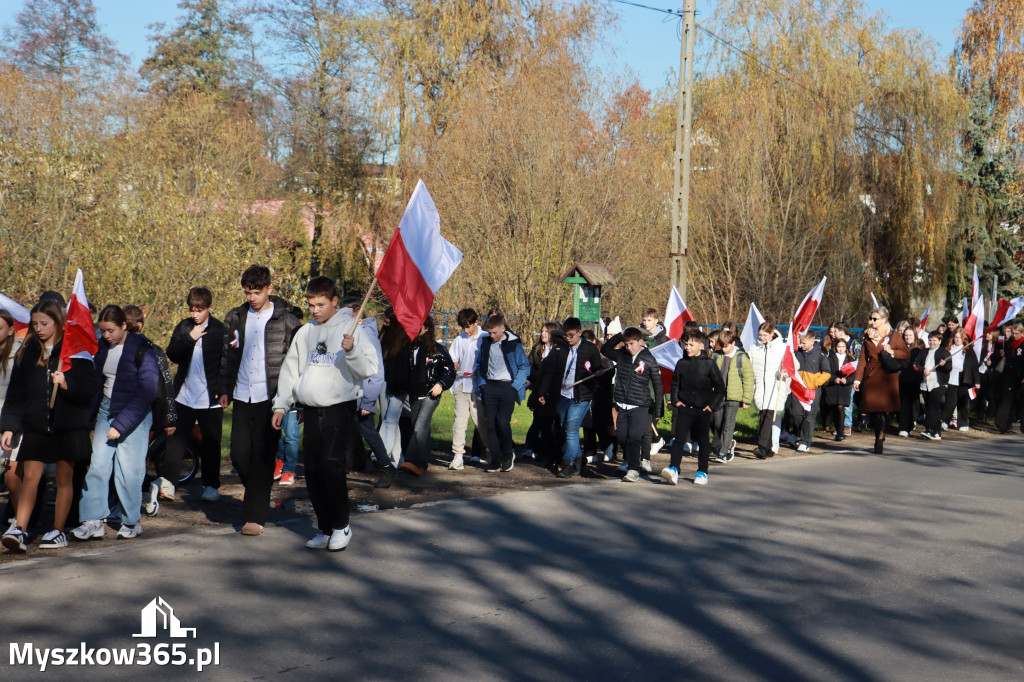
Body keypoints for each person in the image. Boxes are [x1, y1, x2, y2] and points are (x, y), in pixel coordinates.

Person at [272, 277, 376, 551]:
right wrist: (281, 405)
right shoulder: (306, 332)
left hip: (339, 407)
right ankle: (325, 528)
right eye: (311, 305)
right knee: (313, 470)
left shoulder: (352, 328)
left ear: (334, 301)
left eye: (320, 304)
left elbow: (369, 369)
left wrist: (352, 351)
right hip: (311, 408)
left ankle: (342, 525)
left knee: (331, 464)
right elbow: (291, 370)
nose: (315, 310)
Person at [1, 301, 98, 551]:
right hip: (36, 426)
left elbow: (89, 389)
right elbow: (17, 393)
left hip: (68, 427)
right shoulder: (28, 350)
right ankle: (20, 529)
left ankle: (57, 530)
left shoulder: (76, 350)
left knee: (65, 477)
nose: (39, 328)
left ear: (58, 323)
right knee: (30, 477)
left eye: (44, 323)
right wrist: (9, 425)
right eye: (35, 324)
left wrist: (67, 384)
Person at [219, 265, 301, 537]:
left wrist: (293, 400)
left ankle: (254, 516)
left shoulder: (287, 321)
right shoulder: (235, 317)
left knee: (263, 457)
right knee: (239, 455)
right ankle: (259, 491)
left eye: (257, 292)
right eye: (248, 292)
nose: (252, 297)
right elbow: (226, 356)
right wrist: (224, 388)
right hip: (242, 394)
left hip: (272, 399)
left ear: (269, 289)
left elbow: (297, 362)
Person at [73, 305, 159, 541]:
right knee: (98, 465)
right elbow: (96, 382)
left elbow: (147, 392)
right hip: (106, 410)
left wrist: (120, 425)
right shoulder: (102, 346)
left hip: (135, 414)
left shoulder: (143, 349)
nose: (106, 335)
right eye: (103, 331)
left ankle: (131, 521)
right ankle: (93, 520)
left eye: (111, 330)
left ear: (124, 326)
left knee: (128, 471)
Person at [163, 288, 226, 504]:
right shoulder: (184, 327)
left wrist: (223, 389)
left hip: (210, 399)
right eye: (192, 310)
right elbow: (172, 354)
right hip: (184, 396)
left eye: (199, 310)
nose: (195, 314)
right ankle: (168, 484)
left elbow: (227, 362)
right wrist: (189, 339)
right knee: (176, 441)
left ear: (209, 308)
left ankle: (211, 485)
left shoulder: (219, 330)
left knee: (211, 442)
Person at [535, 317, 602, 479]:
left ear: (579, 332)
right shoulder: (560, 349)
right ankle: (579, 459)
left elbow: (599, 369)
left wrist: (599, 373)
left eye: (571, 335)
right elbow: (549, 372)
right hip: (563, 396)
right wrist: (542, 392)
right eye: (565, 335)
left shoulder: (590, 349)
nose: (568, 338)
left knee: (571, 430)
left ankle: (567, 465)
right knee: (566, 429)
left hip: (581, 397)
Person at [661, 329, 725, 486]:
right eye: (686, 344)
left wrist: (711, 406)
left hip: (703, 410)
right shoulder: (681, 363)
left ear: (701, 346)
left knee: (703, 441)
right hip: (684, 408)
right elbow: (675, 385)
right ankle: (674, 469)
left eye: (691, 344)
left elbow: (720, 388)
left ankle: (702, 472)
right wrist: (676, 401)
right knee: (678, 439)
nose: (687, 347)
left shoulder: (709, 364)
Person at [601, 327, 663, 482]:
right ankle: (629, 459)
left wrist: (658, 409)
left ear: (641, 341)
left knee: (634, 438)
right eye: (626, 344)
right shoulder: (621, 355)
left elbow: (658, 385)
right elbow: (605, 349)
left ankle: (634, 469)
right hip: (623, 404)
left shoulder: (648, 359)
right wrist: (620, 335)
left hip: (640, 405)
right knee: (622, 437)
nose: (629, 347)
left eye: (632, 344)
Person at [399, 316, 456, 476]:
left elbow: (449, 371)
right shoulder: (410, 348)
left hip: (431, 394)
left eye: (419, 327)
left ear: (427, 329)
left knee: (419, 428)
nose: (415, 330)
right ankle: (422, 465)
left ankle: (412, 461)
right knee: (419, 428)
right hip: (415, 394)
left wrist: (440, 384)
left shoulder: (438, 350)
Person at [475, 313, 530, 473]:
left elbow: (525, 367)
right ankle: (495, 459)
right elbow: (479, 364)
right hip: (490, 387)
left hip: (508, 387)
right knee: (491, 424)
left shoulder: (514, 345)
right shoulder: (486, 343)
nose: (492, 336)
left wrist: (515, 386)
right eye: (490, 332)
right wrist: (483, 384)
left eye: (495, 332)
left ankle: (508, 454)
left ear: (503, 329)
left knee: (503, 422)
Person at [853, 306, 911, 454]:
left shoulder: (894, 336)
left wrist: (892, 351)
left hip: (887, 376)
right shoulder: (867, 335)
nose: (871, 321)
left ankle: (880, 436)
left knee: (883, 411)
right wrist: (857, 379)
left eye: (875, 319)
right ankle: (877, 431)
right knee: (872, 410)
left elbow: (906, 354)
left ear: (884, 319)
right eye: (870, 318)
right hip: (871, 376)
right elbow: (862, 360)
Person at [448, 308, 489, 470]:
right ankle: (458, 456)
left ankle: (491, 450)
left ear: (475, 323)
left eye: (468, 327)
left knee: (481, 422)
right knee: (459, 421)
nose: (466, 330)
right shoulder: (460, 339)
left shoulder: (485, 337)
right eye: (463, 327)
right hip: (461, 385)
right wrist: (453, 364)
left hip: (478, 386)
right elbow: (452, 359)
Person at [710, 329, 753, 463]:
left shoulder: (741, 358)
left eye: (726, 346)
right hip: (718, 396)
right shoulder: (716, 356)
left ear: (733, 343)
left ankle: (724, 453)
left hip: (734, 397)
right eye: (721, 346)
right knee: (717, 424)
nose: (723, 349)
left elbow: (748, 379)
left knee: (728, 425)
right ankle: (728, 443)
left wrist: (746, 399)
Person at [785, 331, 831, 452]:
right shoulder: (797, 353)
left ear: (812, 341)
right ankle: (799, 433)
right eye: (801, 342)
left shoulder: (820, 355)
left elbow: (827, 373)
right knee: (795, 413)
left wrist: (815, 383)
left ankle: (805, 441)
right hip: (797, 389)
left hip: (812, 391)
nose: (801, 345)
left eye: (804, 343)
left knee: (809, 417)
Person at [749, 322, 790, 458]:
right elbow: (750, 365)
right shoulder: (754, 348)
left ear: (772, 334)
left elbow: (794, 365)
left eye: (765, 335)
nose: (762, 338)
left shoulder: (782, 348)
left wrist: (785, 371)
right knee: (763, 414)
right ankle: (768, 449)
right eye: (760, 335)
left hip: (775, 386)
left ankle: (761, 446)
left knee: (768, 414)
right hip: (760, 386)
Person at [524, 321, 561, 465]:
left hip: (553, 391)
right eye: (542, 331)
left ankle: (549, 449)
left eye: (546, 331)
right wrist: (538, 377)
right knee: (538, 419)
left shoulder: (558, 349)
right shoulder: (537, 349)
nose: (543, 334)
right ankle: (532, 446)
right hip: (538, 387)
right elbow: (528, 367)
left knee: (551, 422)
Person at [378, 309, 411, 467]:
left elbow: (404, 366)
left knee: (391, 419)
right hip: (384, 381)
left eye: (388, 322)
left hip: (398, 384)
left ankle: (382, 454)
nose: (385, 324)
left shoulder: (404, 340)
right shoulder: (383, 336)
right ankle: (397, 457)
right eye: (384, 321)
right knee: (387, 419)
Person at [940, 328, 981, 432]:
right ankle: (945, 421)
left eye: (960, 338)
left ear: (964, 338)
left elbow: (974, 367)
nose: (958, 340)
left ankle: (963, 423)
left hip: (964, 377)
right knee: (950, 401)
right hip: (951, 377)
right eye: (956, 337)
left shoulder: (968, 350)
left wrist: (977, 381)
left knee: (963, 401)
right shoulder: (948, 349)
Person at [917, 331, 951, 440]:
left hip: (938, 384)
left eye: (934, 340)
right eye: (930, 340)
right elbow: (916, 365)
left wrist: (943, 365)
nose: (932, 342)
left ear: (940, 341)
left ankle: (930, 430)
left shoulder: (944, 353)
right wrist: (923, 370)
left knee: (933, 406)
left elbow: (949, 369)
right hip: (925, 384)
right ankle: (936, 433)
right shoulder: (923, 352)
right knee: (929, 407)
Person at [824, 338, 856, 441]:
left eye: (843, 347)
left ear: (846, 348)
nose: (841, 349)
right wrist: (834, 379)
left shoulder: (850, 359)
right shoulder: (830, 358)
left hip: (844, 387)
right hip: (833, 386)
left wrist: (847, 381)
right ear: (835, 347)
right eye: (839, 347)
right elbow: (827, 372)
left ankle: (840, 432)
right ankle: (837, 429)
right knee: (834, 408)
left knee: (840, 406)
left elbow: (853, 375)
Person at [896, 329, 924, 437]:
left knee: (913, 404)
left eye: (910, 335)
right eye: (906, 335)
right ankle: (903, 427)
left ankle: (911, 423)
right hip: (901, 379)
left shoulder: (919, 349)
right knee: (903, 403)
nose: (908, 337)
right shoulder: (900, 348)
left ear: (914, 336)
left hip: (914, 379)